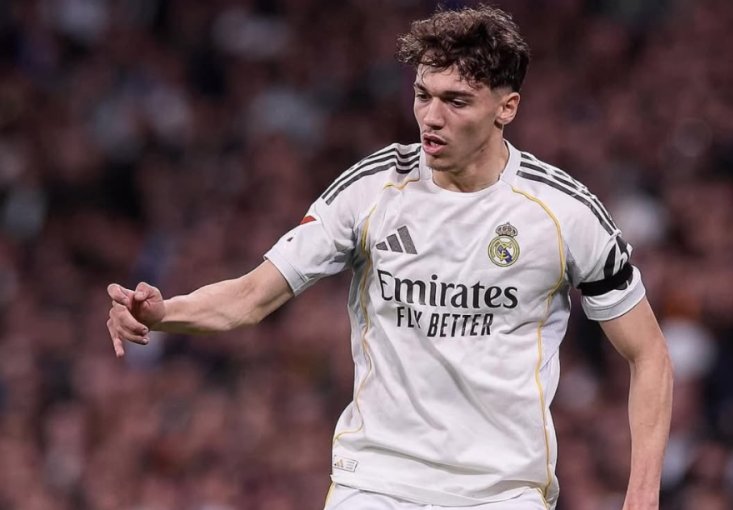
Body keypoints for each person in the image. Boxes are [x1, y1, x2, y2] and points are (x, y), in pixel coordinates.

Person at [106, 5, 672, 509]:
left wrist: (642, 496)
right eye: (423, 95)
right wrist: (164, 312)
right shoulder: (372, 189)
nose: (431, 117)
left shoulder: (564, 213)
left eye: (456, 101)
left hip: (503, 492)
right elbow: (251, 297)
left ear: (507, 107)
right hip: (376, 483)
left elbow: (649, 355)